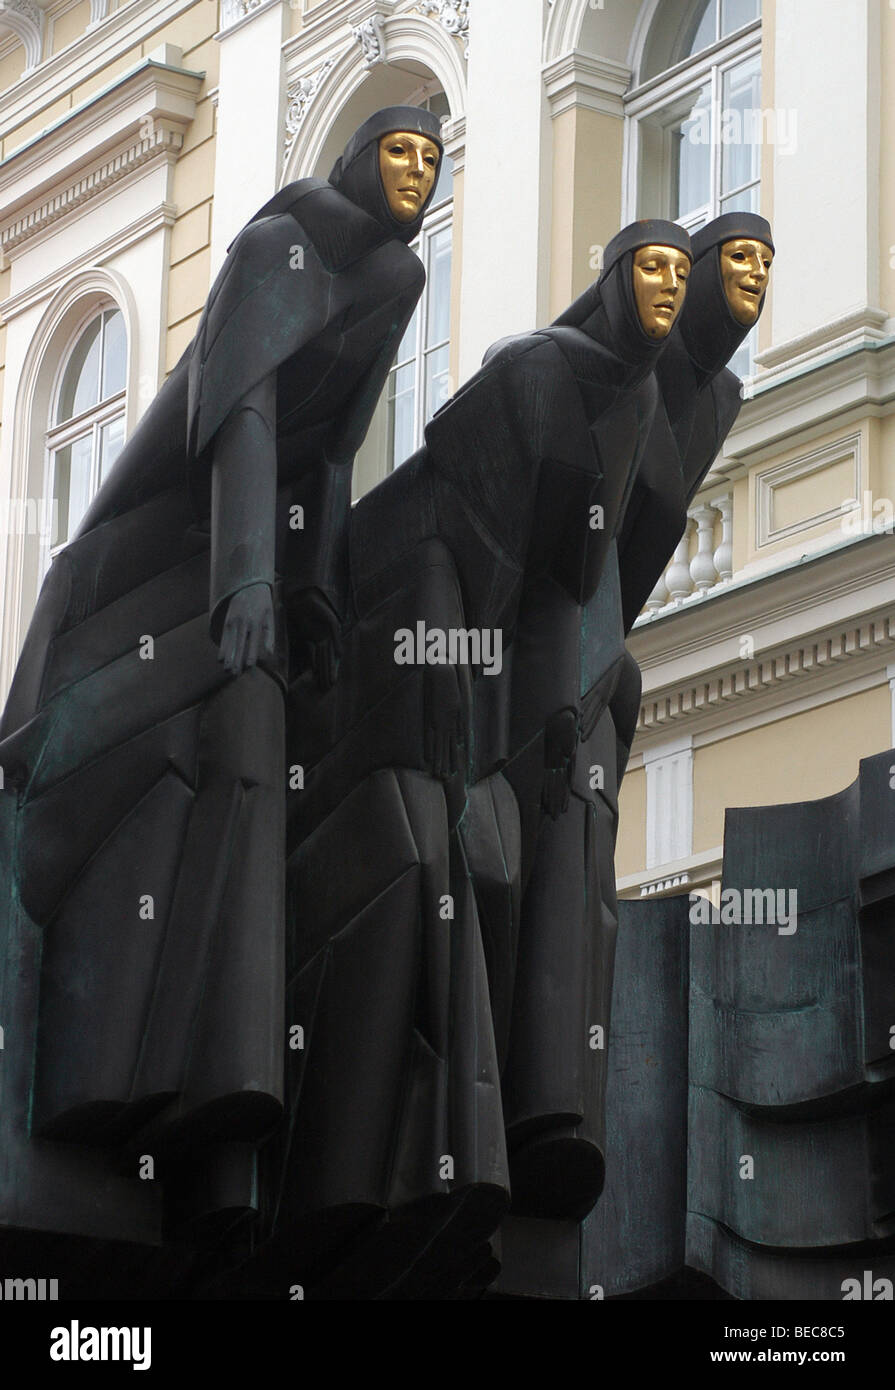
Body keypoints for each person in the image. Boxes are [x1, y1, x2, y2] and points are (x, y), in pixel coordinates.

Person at [0, 108, 443, 1247]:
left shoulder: (395, 278)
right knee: (237, 719)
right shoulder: (278, 242)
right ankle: (196, 1092)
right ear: (354, 157)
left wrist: (317, 594)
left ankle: (234, 1100)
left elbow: (333, 449)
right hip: (151, 563)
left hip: (247, 555)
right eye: (399, 148)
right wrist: (245, 579)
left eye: (433, 157)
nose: (417, 169)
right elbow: (240, 412)